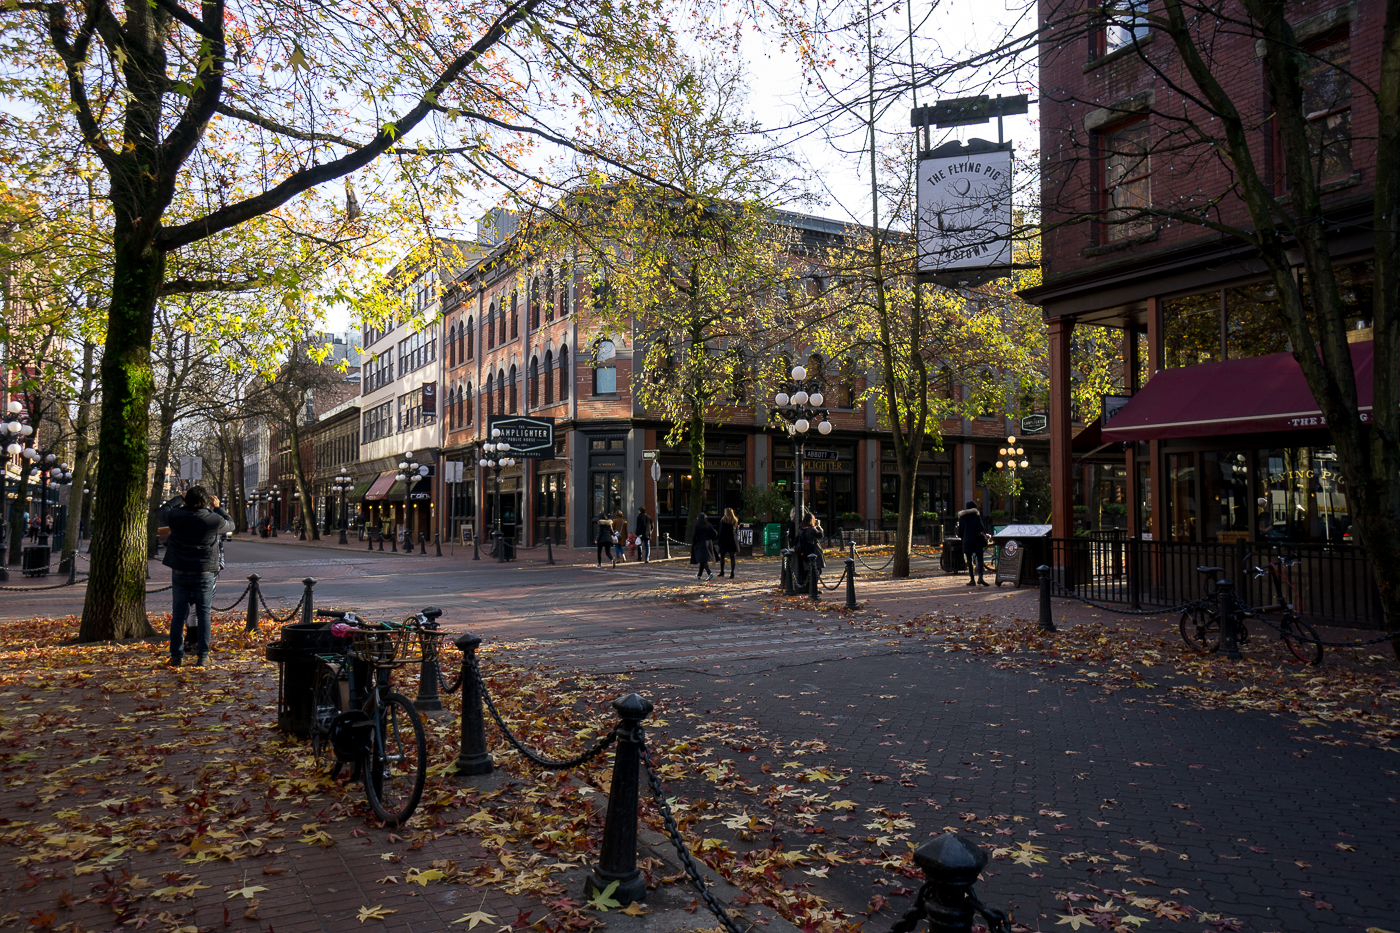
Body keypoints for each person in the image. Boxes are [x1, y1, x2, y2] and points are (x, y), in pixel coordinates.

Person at [158, 485, 234, 667]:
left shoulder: (176, 517)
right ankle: (203, 655)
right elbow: (230, 524)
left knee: (178, 614)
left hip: (181, 571)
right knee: (204, 613)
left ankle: (176, 655)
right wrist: (217, 507)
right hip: (204, 571)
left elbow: (163, 511)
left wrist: (179, 498)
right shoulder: (213, 519)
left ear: (188, 501)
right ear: (205, 501)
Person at [956, 501, 990, 586]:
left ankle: (972, 580)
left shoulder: (962, 518)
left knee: (969, 560)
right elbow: (981, 528)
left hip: (967, 540)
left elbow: (959, 532)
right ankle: (980, 578)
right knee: (980, 558)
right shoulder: (976, 516)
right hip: (977, 540)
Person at [794, 513, 822, 586]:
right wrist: (818, 526)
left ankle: (809, 587)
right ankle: (814, 589)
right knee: (816, 570)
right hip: (814, 551)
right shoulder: (812, 530)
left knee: (808, 571)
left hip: (805, 552)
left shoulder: (801, 529)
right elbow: (821, 534)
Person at [690, 513, 717, 581]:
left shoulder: (697, 526)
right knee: (702, 560)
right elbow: (715, 533)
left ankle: (709, 572)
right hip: (708, 544)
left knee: (703, 560)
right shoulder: (709, 525)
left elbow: (694, 535)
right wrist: (710, 539)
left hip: (700, 544)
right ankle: (699, 574)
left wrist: (694, 541)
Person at [717, 508, 740, 578]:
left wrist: (719, 541)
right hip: (732, 540)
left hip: (724, 540)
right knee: (732, 557)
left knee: (722, 556)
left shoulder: (723, 520)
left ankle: (722, 571)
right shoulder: (735, 520)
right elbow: (736, 531)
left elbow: (721, 532)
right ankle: (732, 573)